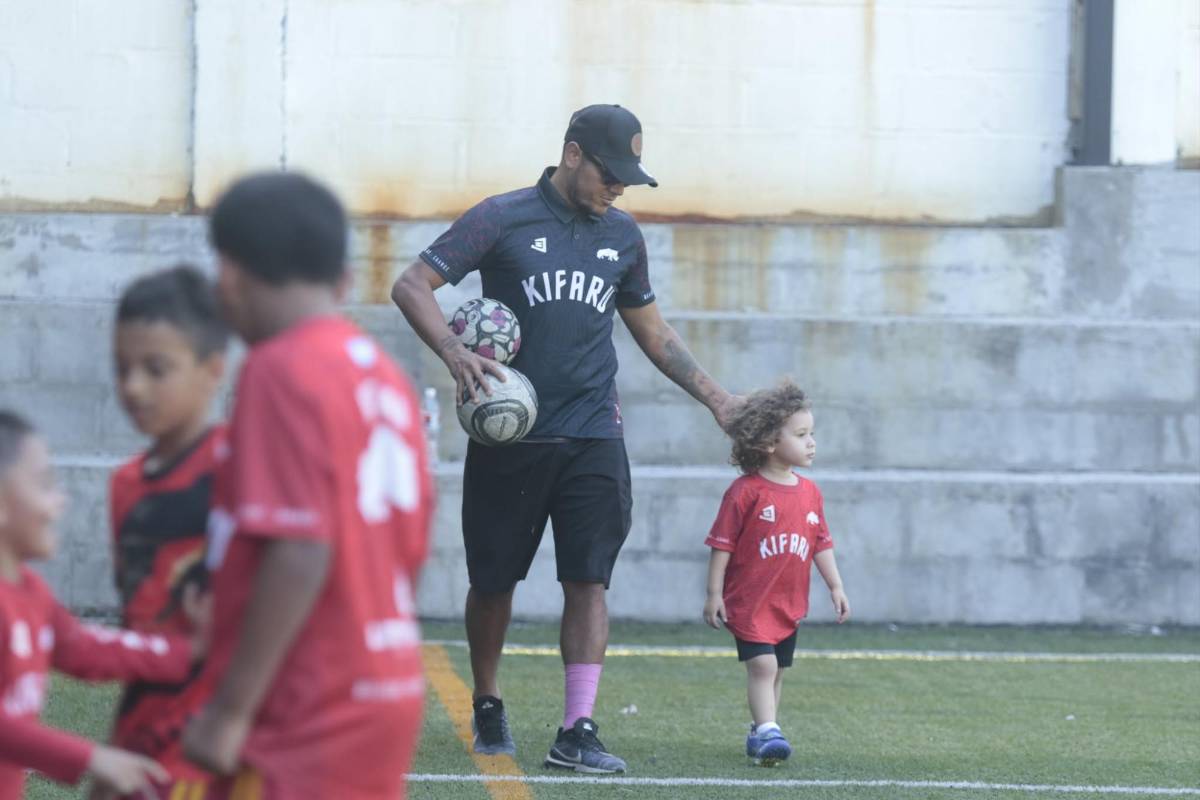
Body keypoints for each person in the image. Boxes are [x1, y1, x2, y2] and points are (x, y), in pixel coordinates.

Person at [392, 103, 740, 773]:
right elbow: (412, 285)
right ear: (573, 155)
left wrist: (718, 399)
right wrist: (453, 355)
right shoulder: (501, 217)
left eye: (628, 181)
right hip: (510, 434)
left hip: (592, 432)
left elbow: (654, 333)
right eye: (611, 175)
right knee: (493, 582)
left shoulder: (623, 236)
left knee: (589, 580)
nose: (618, 190)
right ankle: (488, 701)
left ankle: (577, 729)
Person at [181, 171, 434, 800]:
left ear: (231, 275)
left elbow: (301, 547)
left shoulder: (282, 368)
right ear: (343, 280)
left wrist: (231, 710)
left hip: (307, 694)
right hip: (387, 679)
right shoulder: (382, 375)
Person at [0, 410, 199, 798]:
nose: (60, 500)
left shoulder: (31, 592)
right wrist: (91, 758)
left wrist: (190, 652)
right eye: (44, 484)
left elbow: (84, 647)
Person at [97, 264, 229, 796]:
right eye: (121, 368)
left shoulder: (240, 473)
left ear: (212, 369)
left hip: (214, 749)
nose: (133, 387)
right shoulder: (125, 484)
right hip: (145, 739)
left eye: (156, 369)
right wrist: (118, 748)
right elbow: (138, 623)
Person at [701, 382, 850, 766]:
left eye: (811, 433)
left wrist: (835, 586)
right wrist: (714, 594)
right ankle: (769, 730)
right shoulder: (745, 492)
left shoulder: (811, 493)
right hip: (749, 603)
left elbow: (821, 542)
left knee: (778, 668)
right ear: (768, 442)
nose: (811, 442)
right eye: (801, 435)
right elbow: (722, 545)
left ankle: (762, 729)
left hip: (788, 603)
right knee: (763, 666)